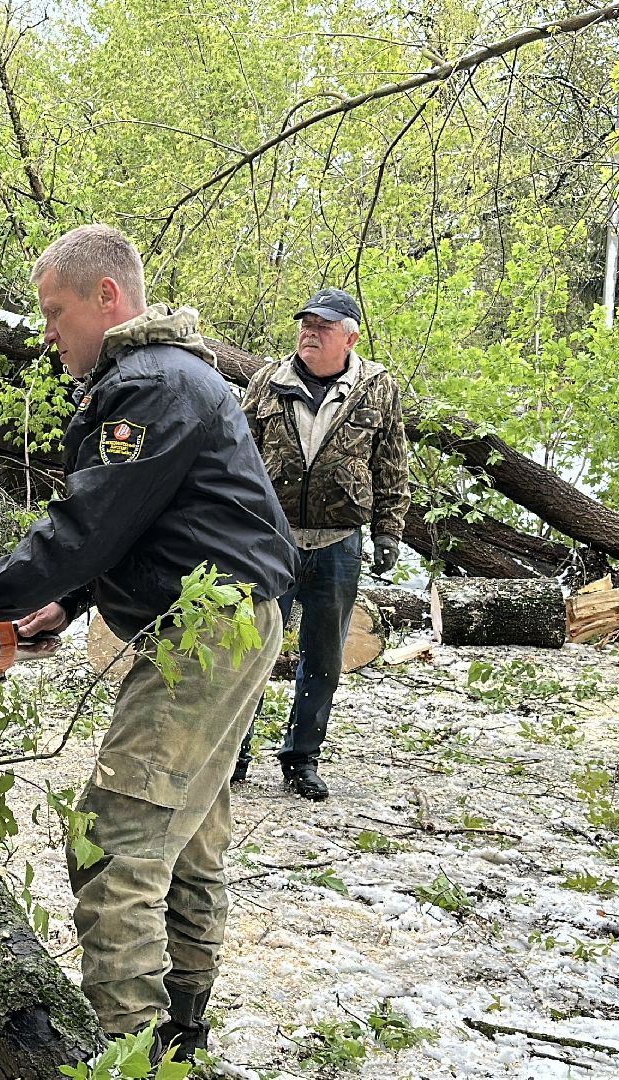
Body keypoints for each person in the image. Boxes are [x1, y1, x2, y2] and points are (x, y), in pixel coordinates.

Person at [0, 224, 296, 1056]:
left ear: (107, 297)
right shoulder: (169, 378)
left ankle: (127, 1057)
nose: (47, 331)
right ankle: (180, 1044)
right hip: (216, 625)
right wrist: (70, 605)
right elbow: (149, 523)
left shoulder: (150, 385)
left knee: (114, 843)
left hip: (206, 635)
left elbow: (90, 522)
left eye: (55, 311)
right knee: (187, 836)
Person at [232, 287, 408, 801]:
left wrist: (389, 530)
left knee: (324, 656)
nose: (310, 332)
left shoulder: (377, 388)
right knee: (251, 650)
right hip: (271, 540)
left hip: (338, 542)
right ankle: (232, 753)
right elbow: (237, 456)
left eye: (323, 327)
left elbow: (391, 464)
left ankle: (301, 759)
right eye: (306, 323)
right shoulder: (268, 380)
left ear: (350, 337)